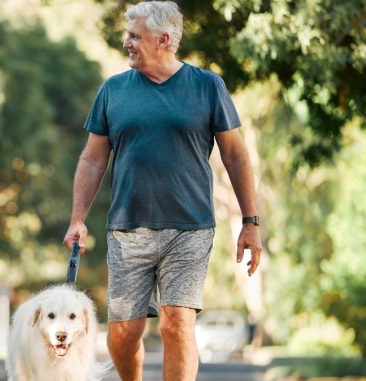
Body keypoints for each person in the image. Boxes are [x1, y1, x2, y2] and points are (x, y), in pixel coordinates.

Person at [62, 2, 262, 380]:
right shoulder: (114, 90)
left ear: (164, 40)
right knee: (123, 333)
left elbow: (235, 156)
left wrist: (250, 222)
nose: (127, 43)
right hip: (127, 227)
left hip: (190, 227)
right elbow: (92, 160)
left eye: (135, 36)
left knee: (177, 324)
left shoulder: (206, 86)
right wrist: (78, 218)